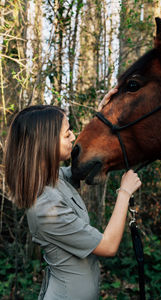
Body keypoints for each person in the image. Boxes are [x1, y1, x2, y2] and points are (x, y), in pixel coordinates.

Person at [4, 88, 141, 300]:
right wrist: (124, 193)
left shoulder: (54, 178)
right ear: (45, 144)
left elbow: (83, 166)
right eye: (67, 134)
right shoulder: (45, 206)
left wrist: (102, 114)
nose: (73, 137)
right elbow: (108, 246)